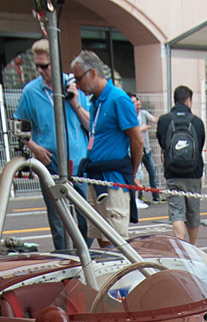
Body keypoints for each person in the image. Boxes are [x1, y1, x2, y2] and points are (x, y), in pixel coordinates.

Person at [14, 39, 90, 251]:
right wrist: (35, 148)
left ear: (55, 63)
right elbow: (19, 127)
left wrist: (75, 104)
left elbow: (90, 124)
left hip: (79, 162)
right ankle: (65, 260)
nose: (40, 71)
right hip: (50, 163)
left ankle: (89, 258)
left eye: (44, 66)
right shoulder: (31, 92)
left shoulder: (75, 86)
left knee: (87, 218)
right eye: (37, 66)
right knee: (59, 220)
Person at [70, 50, 142, 246]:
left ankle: (120, 277)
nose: (77, 84)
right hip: (97, 179)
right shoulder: (96, 102)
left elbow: (137, 141)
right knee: (101, 239)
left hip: (114, 181)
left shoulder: (118, 98)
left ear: (92, 73)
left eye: (78, 79)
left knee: (116, 244)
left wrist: (131, 173)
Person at [156, 84, 206, 244]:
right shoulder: (197, 122)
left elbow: (163, 143)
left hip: (173, 172)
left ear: (175, 100)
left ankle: (181, 244)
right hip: (193, 173)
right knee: (193, 213)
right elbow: (199, 146)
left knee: (177, 212)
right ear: (188, 100)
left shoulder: (164, 120)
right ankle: (192, 247)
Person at [131, 93, 158, 204]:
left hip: (146, 149)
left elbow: (154, 119)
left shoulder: (143, 114)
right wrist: (141, 129)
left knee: (151, 172)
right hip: (136, 150)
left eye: (138, 104)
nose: (138, 106)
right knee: (136, 174)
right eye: (135, 104)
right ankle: (138, 197)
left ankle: (155, 195)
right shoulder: (129, 116)